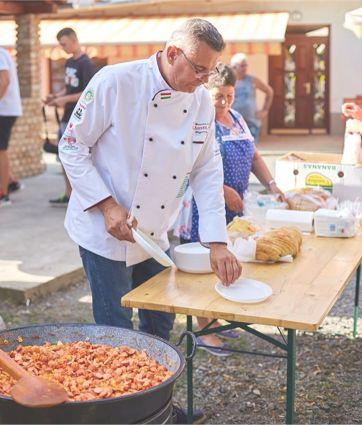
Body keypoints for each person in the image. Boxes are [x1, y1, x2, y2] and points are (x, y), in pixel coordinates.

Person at [58, 19, 242, 422]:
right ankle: (119, 414)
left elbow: (206, 171)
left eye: (209, 71)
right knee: (116, 330)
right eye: (198, 69)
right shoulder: (116, 82)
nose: (203, 79)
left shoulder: (201, 102)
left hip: (155, 233)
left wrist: (217, 241)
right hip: (104, 232)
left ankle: (158, 410)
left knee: (160, 319)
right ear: (172, 53)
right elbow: (71, 146)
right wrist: (107, 206)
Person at [177, 63, 284, 355]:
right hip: (204, 206)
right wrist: (222, 192)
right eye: (217, 95)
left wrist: (272, 184)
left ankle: (220, 318)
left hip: (235, 211)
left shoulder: (237, 118)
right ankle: (204, 330)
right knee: (201, 267)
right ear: (204, 92)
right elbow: (189, 165)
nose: (224, 102)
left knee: (229, 263)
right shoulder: (198, 121)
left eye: (229, 95)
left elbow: (255, 157)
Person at [44, 27, 95, 207]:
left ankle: (78, 196)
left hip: (79, 116)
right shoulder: (69, 63)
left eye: (64, 44)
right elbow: (70, 87)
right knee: (64, 156)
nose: (63, 48)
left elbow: (88, 92)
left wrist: (64, 99)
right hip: (66, 114)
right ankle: (69, 193)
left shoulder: (86, 64)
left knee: (75, 157)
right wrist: (56, 97)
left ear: (74, 40)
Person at [230, 53, 274, 142]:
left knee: (251, 150)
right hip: (233, 123)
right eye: (242, 66)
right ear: (234, 66)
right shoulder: (229, 81)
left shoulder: (252, 80)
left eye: (246, 65)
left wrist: (265, 110)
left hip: (251, 123)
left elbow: (269, 92)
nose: (245, 68)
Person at [0, 47, 22, 207]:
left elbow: (4, 81)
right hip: (7, 110)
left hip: (4, 111)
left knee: (1, 151)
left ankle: (3, 195)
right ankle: (12, 181)